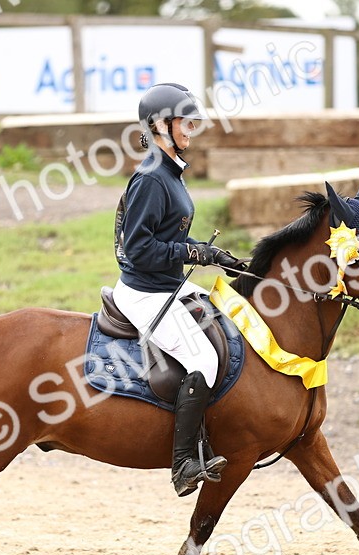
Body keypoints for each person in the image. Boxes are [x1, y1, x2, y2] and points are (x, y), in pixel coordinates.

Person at [112, 82, 243, 497]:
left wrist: (213, 254)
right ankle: (184, 463)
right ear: (158, 125)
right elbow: (139, 248)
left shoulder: (170, 172)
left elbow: (166, 235)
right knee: (202, 358)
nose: (191, 128)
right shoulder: (151, 177)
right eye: (184, 121)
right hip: (146, 292)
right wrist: (195, 252)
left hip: (166, 286)